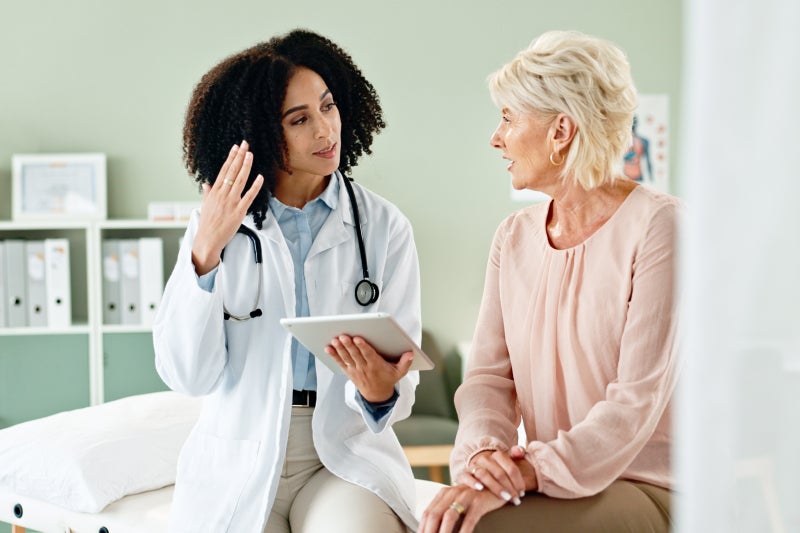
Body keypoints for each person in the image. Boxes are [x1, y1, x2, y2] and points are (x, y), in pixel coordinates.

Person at [153, 29, 422, 533]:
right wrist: (205, 252)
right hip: (243, 449)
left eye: (328, 107)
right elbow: (186, 375)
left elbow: (401, 384)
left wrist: (381, 390)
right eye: (300, 120)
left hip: (342, 453)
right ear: (257, 133)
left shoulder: (384, 228)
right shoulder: (217, 227)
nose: (325, 131)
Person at [420, 30, 680, 533]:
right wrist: (484, 459)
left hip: (644, 482)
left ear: (561, 130)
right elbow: (488, 380)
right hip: (547, 480)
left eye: (508, 118)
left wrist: (526, 472)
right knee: (445, 517)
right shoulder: (513, 237)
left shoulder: (661, 227)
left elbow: (635, 401)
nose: (495, 138)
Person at [623, 114, 653, 183]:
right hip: (626, 176)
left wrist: (651, 178)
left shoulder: (643, 141)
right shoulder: (623, 141)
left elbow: (648, 161)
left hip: (638, 176)